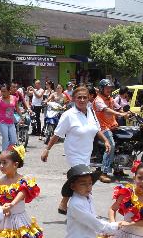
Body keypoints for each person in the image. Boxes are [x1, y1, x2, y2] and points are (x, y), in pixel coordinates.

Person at [41, 86, 111, 214]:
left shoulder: (91, 111)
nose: (82, 100)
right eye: (79, 97)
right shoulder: (68, 115)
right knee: (83, 179)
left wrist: (106, 141)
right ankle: (85, 209)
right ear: (73, 99)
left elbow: (96, 129)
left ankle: (64, 204)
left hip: (86, 152)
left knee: (77, 179)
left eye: (85, 97)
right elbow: (57, 134)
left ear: (89, 98)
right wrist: (47, 149)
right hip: (73, 152)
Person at [93, 79, 128, 183]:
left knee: (123, 143)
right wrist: (120, 115)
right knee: (111, 145)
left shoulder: (110, 99)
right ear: (101, 88)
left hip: (112, 126)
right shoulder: (98, 100)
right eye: (107, 88)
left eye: (110, 88)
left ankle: (118, 169)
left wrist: (129, 113)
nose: (109, 90)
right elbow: (106, 110)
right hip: (102, 127)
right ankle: (103, 172)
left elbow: (119, 108)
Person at [0, 84, 22, 151]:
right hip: (2, 122)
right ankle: (3, 154)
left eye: (4, 91)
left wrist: (22, 117)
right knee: (5, 138)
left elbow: (17, 109)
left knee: (13, 140)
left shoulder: (14, 98)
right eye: (2, 91)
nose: (2, 93)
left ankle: (7, 152)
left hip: (11, 122)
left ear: (9, 91)